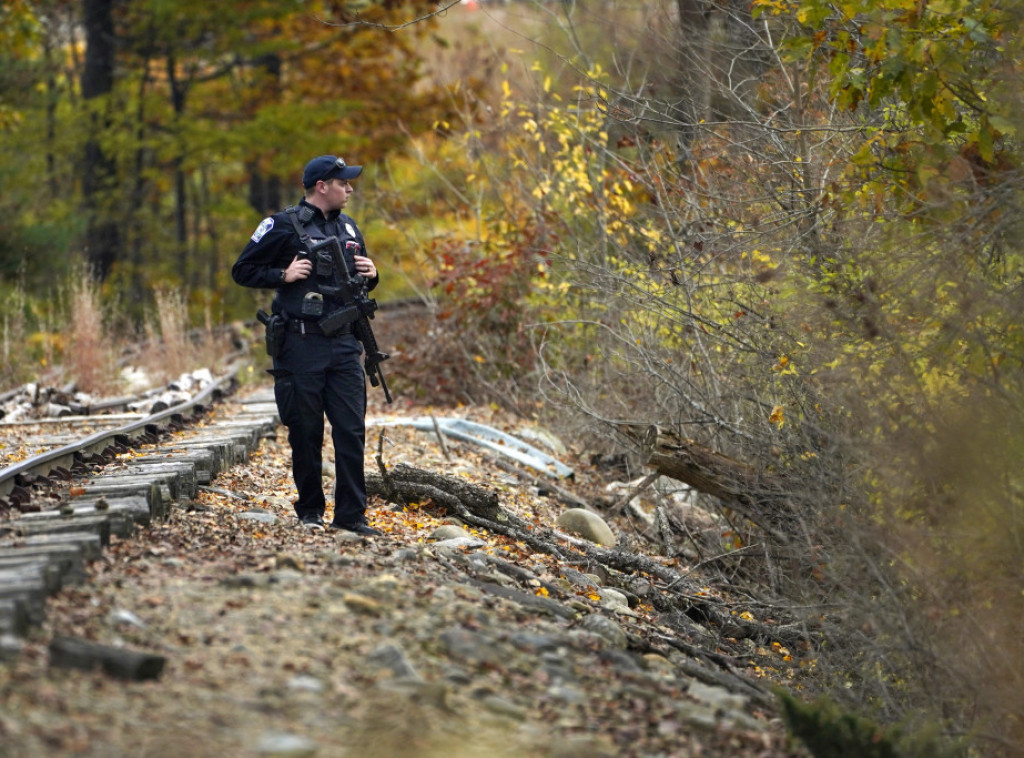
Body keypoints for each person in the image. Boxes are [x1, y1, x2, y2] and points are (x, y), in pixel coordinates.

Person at [232, 154, 382, 536]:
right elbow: (243, 270)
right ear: (321, 186)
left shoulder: (349, 227)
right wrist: (283, 274)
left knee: (351, 430)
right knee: (305, 430)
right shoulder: (281, 225)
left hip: (346, 345)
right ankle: (310, 511)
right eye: (343, 183)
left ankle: (351, 516)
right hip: (301, 344)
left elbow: (358, 286)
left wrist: (373, 273)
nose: (349, 189)